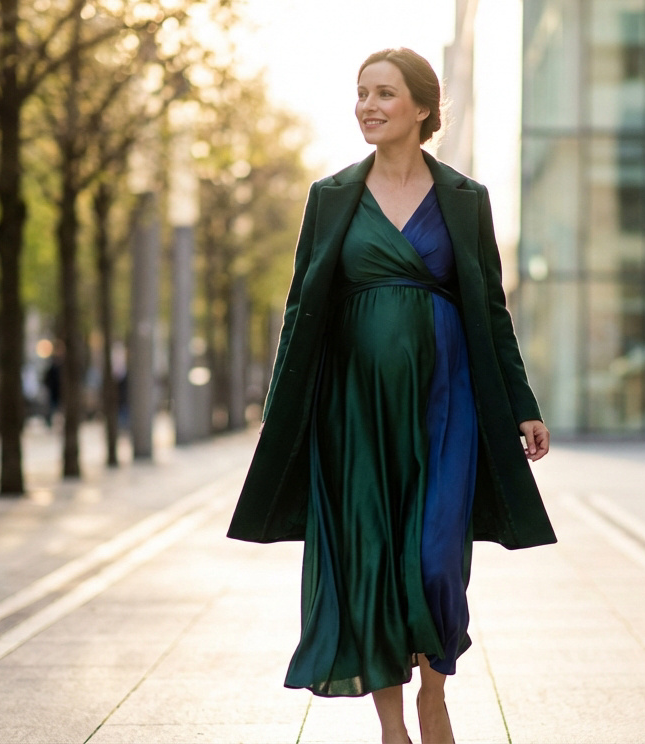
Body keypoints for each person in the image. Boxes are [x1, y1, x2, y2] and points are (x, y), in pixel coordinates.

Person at [228, 47, 554, 744]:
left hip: (448, 401)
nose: (368, 106)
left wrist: (522, 401)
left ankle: (433, 685)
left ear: (422, 109)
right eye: (361, 93)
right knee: (369, 554)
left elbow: (491, 309)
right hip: (353, 410)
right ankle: (393, 728)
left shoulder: (465, 199)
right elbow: (299, 313)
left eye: (384, 93)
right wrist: (280, 411)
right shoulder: (330, 196)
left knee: (438, 553)